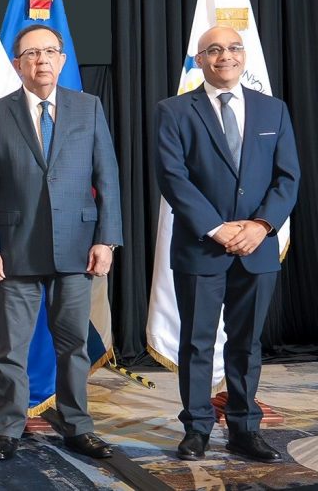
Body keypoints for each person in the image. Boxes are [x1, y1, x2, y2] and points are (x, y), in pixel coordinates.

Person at [0, 24, 122, 461]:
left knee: (73, 346)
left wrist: (107, 240)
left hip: (77, 248)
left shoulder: (89, 108)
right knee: (11, 349)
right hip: (14, 250)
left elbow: (107, 178)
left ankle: (77, 427)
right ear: (18, 64)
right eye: (31, 54)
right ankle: (6, 429)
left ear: (62, 59)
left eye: (49, 52)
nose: (41, 61)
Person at [156, 25, 299, 462]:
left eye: (234, 48)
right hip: (201, 247)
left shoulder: (273, 110)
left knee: (247, 343)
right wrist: (216, 228)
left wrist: (261, 226)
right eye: (214, 49)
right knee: (197, 342)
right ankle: (196, 428)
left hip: (257, 248)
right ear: (199, 59)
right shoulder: (174, 111)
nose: (225, 56)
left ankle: (243, 429)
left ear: (244, 55)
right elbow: (172, 177)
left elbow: (287, 178)